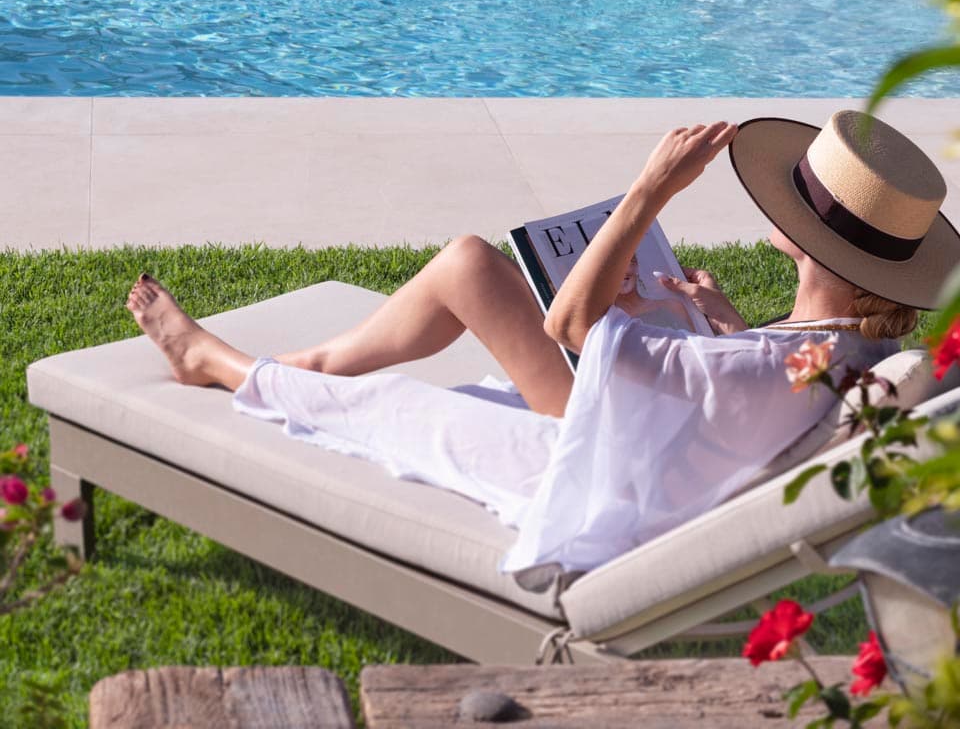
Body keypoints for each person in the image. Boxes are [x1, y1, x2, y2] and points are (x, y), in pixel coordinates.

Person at [126, 111, 960, 580]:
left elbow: (570, 326)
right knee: (468, 266)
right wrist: (723, 322)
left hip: (595, 471)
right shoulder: (845, 351)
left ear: (813, 245)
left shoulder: (765, 362)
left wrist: (648, 192)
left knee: (393, 405)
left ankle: (220, 364)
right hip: (650, 442)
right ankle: (305, 365)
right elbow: (761, 381)